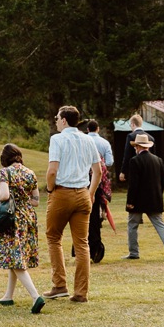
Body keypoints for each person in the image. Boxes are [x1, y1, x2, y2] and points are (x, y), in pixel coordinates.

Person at [43, 105, 102, 302]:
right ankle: (81, 292)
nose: (56, 121)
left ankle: (59, 284)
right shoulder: (87, 139)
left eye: (57, 117)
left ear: (64, 120)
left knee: (53, 237)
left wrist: (50, 189)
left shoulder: (57, 139)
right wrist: (91, 193)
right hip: (83, 193)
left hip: (62, 192)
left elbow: (52, 171)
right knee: (82, 244)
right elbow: (98, 171)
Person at [0, 144, 45, 314]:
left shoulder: (5, 172)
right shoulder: (30, 173)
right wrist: (23, 201)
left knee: (15, 257)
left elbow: (4, 195)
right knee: (14, 255)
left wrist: (5, 200)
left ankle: (35, 296)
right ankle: (8, 296)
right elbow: (36, 201)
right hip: (29, 217)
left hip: (12, 219)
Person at [124, 133, 164, 262]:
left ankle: (134, 252)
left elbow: (133, 184)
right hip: (154, 198)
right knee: (160, 225)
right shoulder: (158, 160)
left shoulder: (134, 161)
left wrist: (130, 201)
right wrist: (159, 195)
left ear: (137, 146)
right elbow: (161, 181)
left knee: (132, 225)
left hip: (137, 200)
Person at [85, 120, 113, 264]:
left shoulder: (82, 141)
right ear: (98, 128)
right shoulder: (104, 143)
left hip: (84, 181)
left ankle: (84, 247)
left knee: (84, 216)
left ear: (87, 129)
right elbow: (109, 162)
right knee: (95, 216)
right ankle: (95, 246)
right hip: (98, 182)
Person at [118, 113, 146, 182]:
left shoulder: (131, 136)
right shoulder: (150, 137)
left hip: (135, 169)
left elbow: (127, 155)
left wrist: (123, 171)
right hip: (147, 169)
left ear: (133, 124)